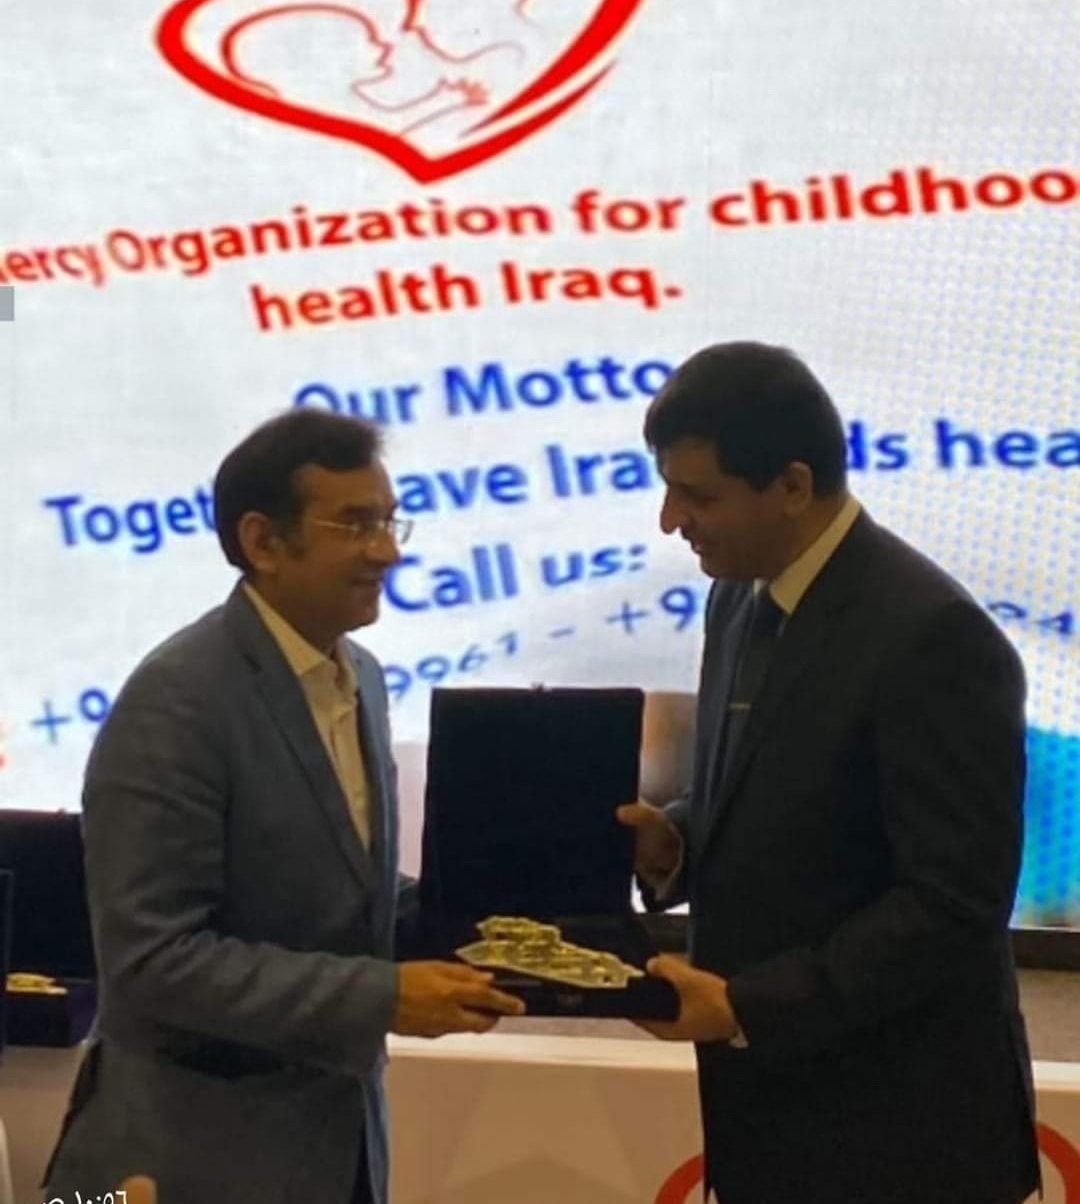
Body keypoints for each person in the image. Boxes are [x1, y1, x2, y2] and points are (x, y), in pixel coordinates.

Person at [43, 409, 523, 1204]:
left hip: (341, 1148)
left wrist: (500, 924)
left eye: (390, 520)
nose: (388, 550)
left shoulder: (361, 676)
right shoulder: (177, 699)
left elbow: (343, 897)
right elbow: (153, 958)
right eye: (356, 525)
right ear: (263, 541)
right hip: (190, 1160)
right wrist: (383, 995)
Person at [618, 341, 1040, 1204]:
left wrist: (747, 1007)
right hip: (769, 1120)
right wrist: (676, 844)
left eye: (699, 496)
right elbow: (780, 790)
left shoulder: (933, 637)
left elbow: (953, 904)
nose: (670, 521)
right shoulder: (738, 594)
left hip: (903, 1140)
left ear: (793, 485)